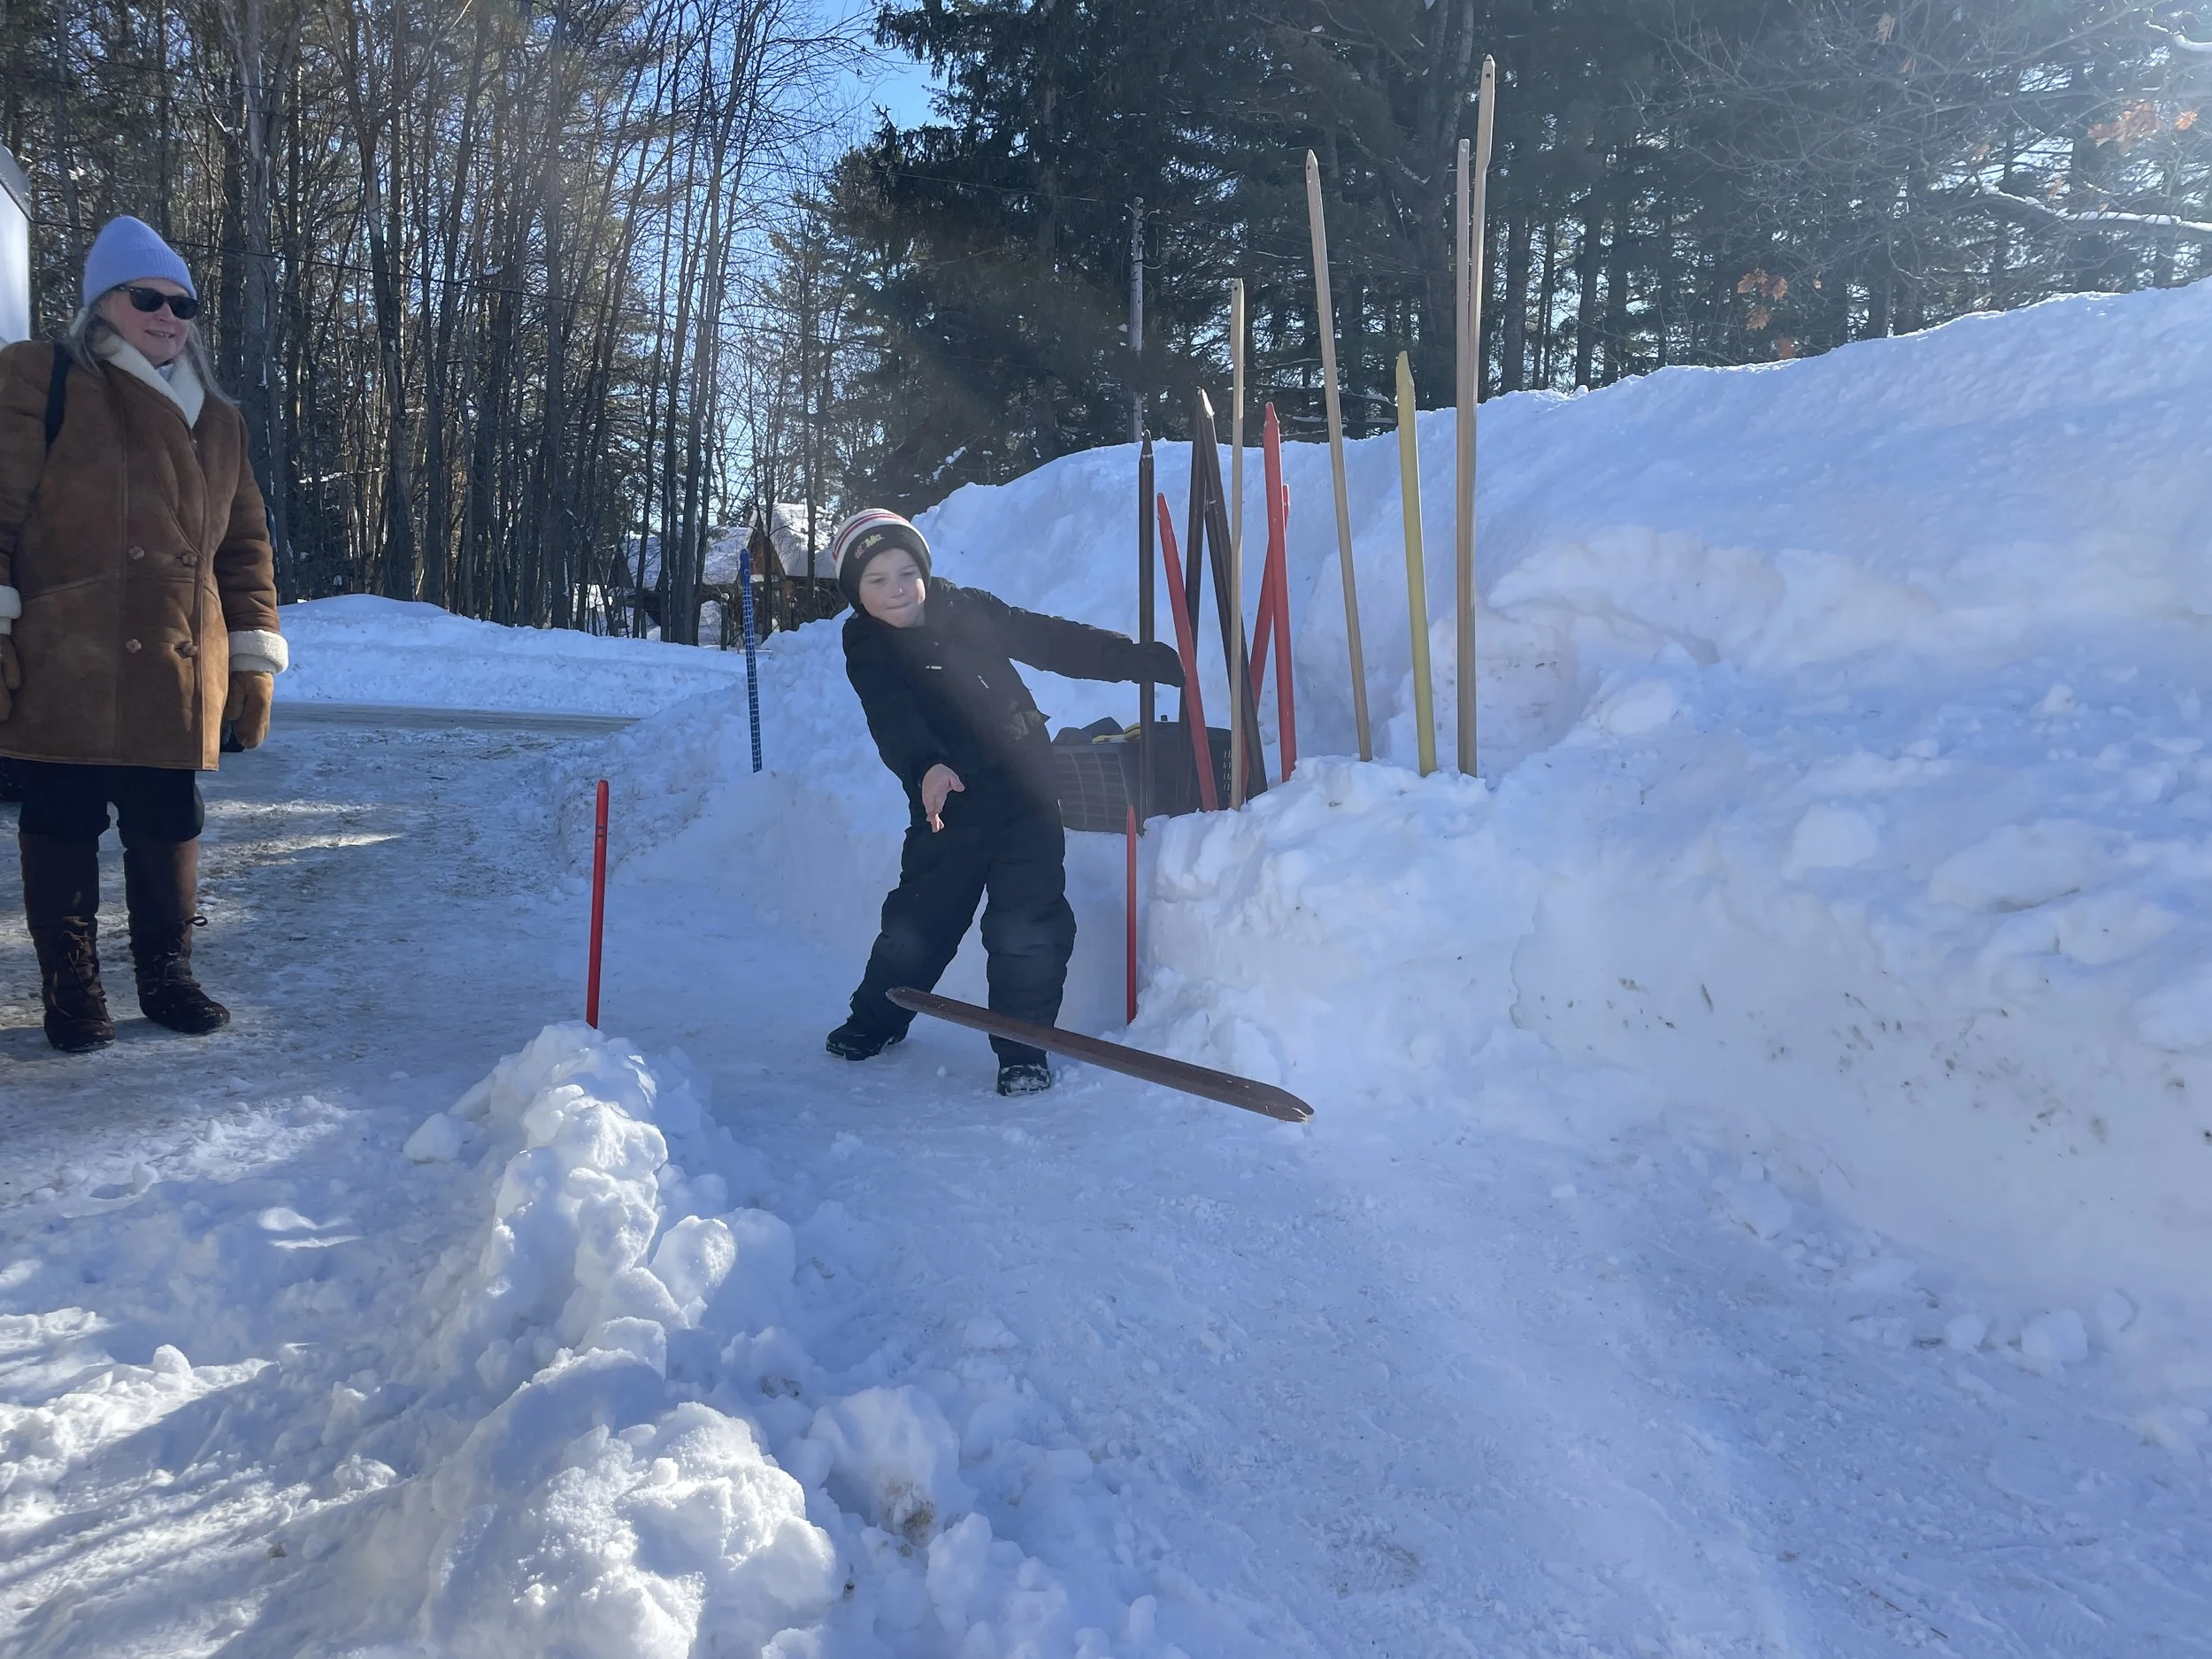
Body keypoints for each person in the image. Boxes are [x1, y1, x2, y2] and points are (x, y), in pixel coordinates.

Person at [0, 215, 288, 1053]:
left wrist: (252, 657)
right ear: (102, 305)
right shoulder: (41, 379)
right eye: (148, 298)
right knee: (60, 817)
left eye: (184, 304)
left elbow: (245, 550)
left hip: (176, 662)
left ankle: (167, 974)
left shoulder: (219, 420)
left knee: (169, 818)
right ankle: (72, 985)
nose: (169, 316)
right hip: (66, 660)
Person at [824, 508, 1181, 1095]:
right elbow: (892, 716)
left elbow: (1049, 639)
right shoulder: (868, 645)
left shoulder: (967, 609)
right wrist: (927, 767)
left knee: (1030, 921)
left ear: (925, 570)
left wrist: (1135, 659)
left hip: (1027, 791)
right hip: (949, 808)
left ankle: (1023, 1050)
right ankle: (876, 1020)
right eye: (877, 580)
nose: (896, 591)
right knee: (919, 923)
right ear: (856, 593)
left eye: (906, 571)